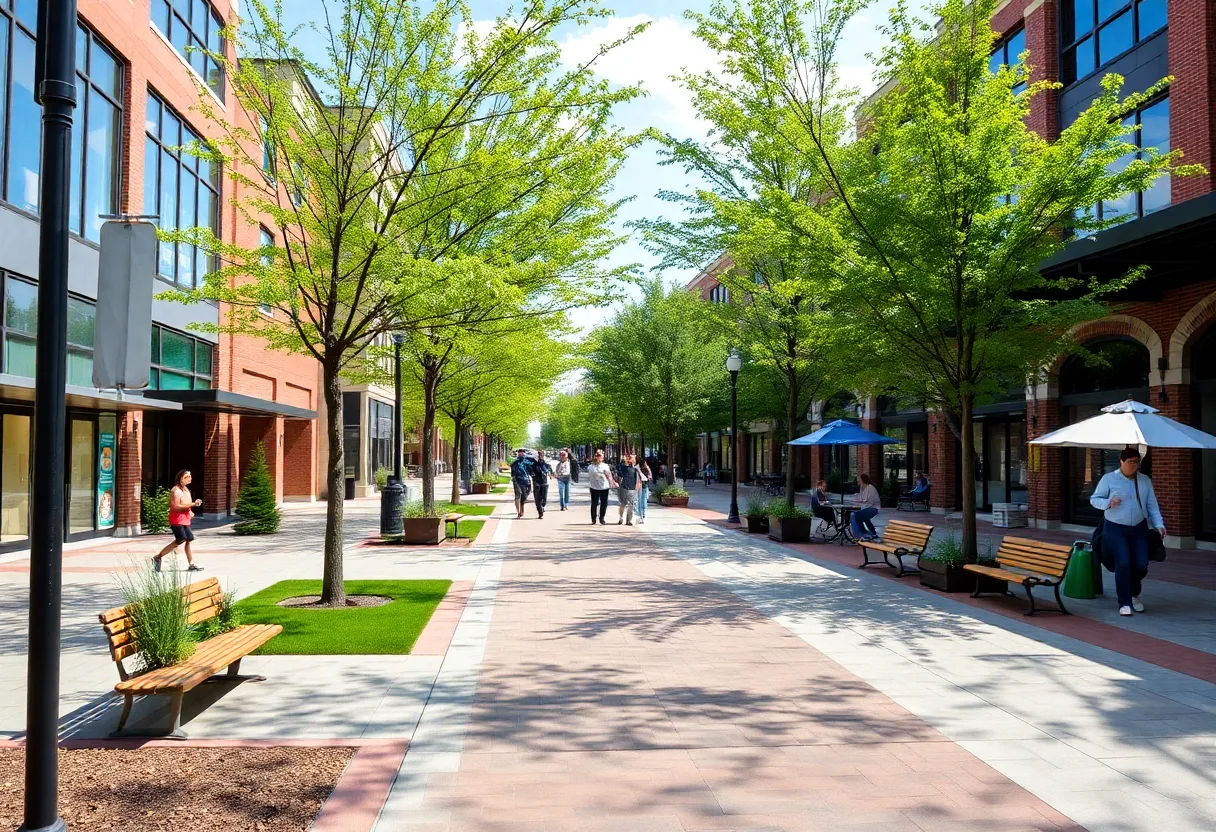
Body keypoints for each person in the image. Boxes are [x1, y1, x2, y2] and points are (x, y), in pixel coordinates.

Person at [1091, 446, 1165, 616]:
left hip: (1139, 527)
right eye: (1130, 462)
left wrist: (1159, 524)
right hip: (1115, 527)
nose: (1134, 465)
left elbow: (1152, 505)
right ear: (1121, 462)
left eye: (1136, 462)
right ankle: (1124, 602)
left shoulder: (1144, 480)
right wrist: (1108, 502)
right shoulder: (1109, 479)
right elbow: (1094, 499)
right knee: (1123, 563)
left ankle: (1133, 594)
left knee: (1140, 564)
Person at [154, 470, 204, 572]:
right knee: (181, 539)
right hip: (177, 518)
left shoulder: (186, 490)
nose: (190, 478)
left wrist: (190, 510)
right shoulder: (176, 490)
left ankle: (191, 563)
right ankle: (158, 557)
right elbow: (176, 506)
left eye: (190, 476)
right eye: (187, 476)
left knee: (189, 539)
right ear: (181, 478)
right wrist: (193, 504)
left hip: (185, 518)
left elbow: (186, 504)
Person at [586, 449, 616, 525]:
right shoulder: (590, 466)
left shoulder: (605, 466)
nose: (600, 457)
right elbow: (590, 475)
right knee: (594, 503)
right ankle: (593, 518)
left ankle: (602, 518)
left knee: (604, 503)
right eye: (598, 455)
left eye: (601, 456)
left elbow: (609, 476)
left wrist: (612, 483)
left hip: (604, 487)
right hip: (594, 487)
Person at [850, 472, 882, 541]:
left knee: (858, 515)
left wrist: (858, 504)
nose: (858, 482)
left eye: (859, 480)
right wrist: (855, 502)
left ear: (863, 480)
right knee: (862, 517)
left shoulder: (870, 488)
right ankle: (871, 533)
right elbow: (860, 500)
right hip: (866, 507)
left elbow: (868, 502)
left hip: (874, 508)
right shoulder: (862, 489)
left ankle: (865, 533)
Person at [616, 452, 643, 525]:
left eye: (633, 458)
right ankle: (621, 517)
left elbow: (640, 477)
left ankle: (629, 520)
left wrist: (638, 484)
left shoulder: (636, 469)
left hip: (632, 487)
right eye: (630, 458)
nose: (631, 459)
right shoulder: (623, 467)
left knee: (631, 504)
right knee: (623, 504)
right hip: (623, 487)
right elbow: (619, 470)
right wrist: (624, 460)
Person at [510, 449, 533, 519]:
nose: (521, 455)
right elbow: (512, 470)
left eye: (522, 453)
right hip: (517, 480)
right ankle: (518, 512)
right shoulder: (515, 462)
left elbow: (531, 470)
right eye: (520, 453)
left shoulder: (526, 462)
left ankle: (521, 510)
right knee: (518, 495)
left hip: (525, 480)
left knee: (524, 496)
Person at [530, 448, 553, 518]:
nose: (540, 457)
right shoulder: (533, 464)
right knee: (537, 499)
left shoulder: (545, 464)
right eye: (539, 455)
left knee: (544, 498)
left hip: (544, 483)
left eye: (542, 455)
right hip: (536, 483)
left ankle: (542, 506)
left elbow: (550, 470)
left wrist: (551, 474)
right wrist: (532, 474)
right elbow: (530, 470)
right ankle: (540, 512)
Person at [636, 456, 653, 525]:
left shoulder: (637, 468)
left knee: (640, 500)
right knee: (643, 499)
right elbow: (650, 477)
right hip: (644, 485)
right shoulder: (646, 468)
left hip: (640, 485)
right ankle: (642, 513)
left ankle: (641, 514)